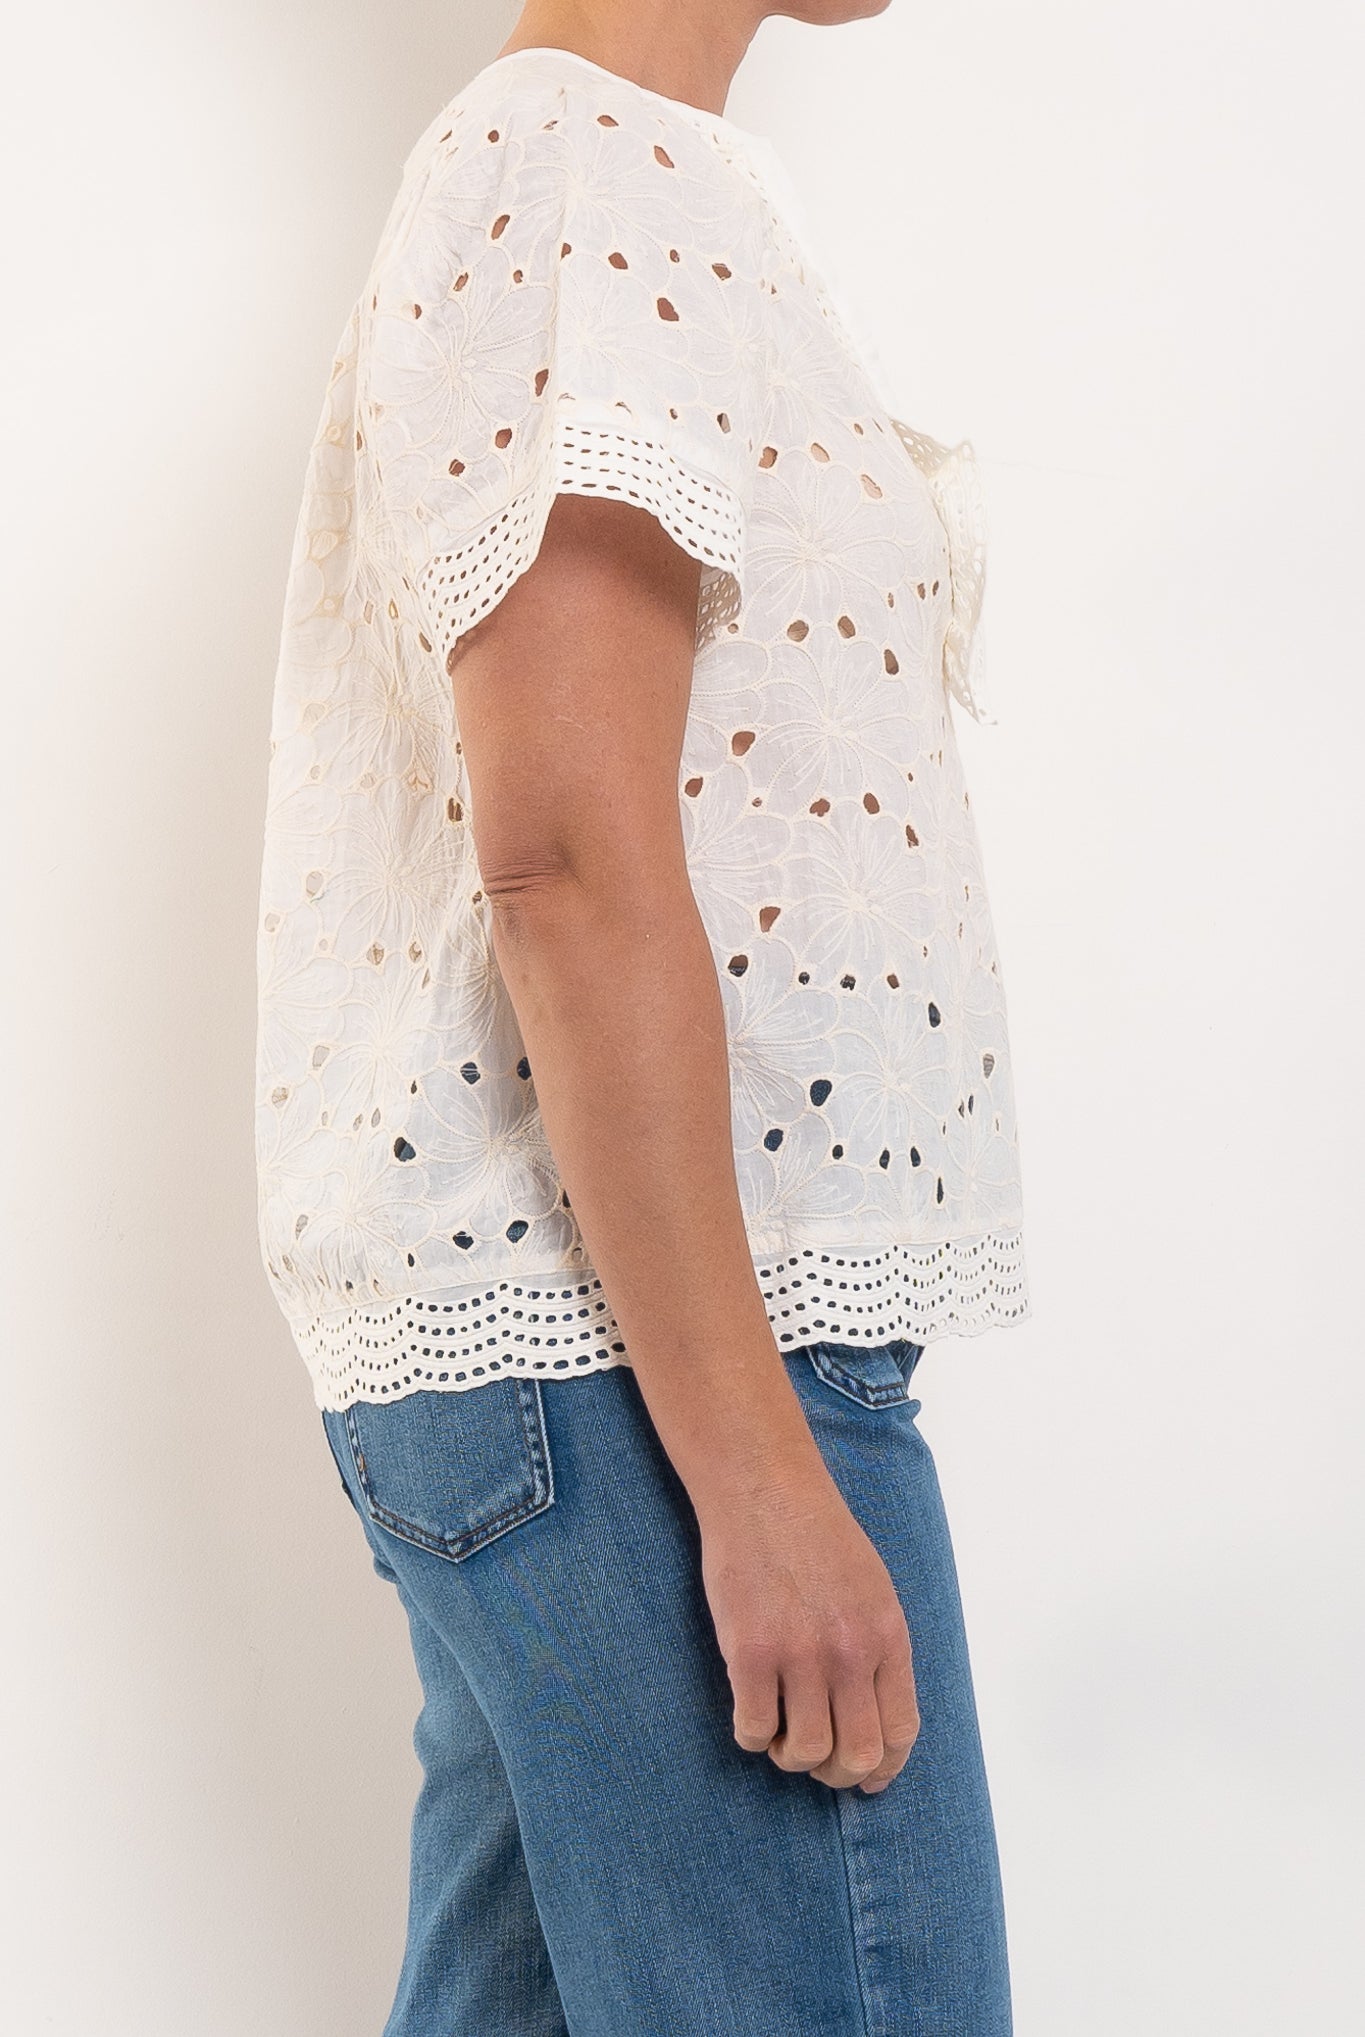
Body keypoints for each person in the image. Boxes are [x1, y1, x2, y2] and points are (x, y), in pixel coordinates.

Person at [254, 3, 1032, 2029]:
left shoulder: (594, 170)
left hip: (588, 1359)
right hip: (654, 1354)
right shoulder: (582, 163)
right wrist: (756, 1473)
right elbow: (570, 860)